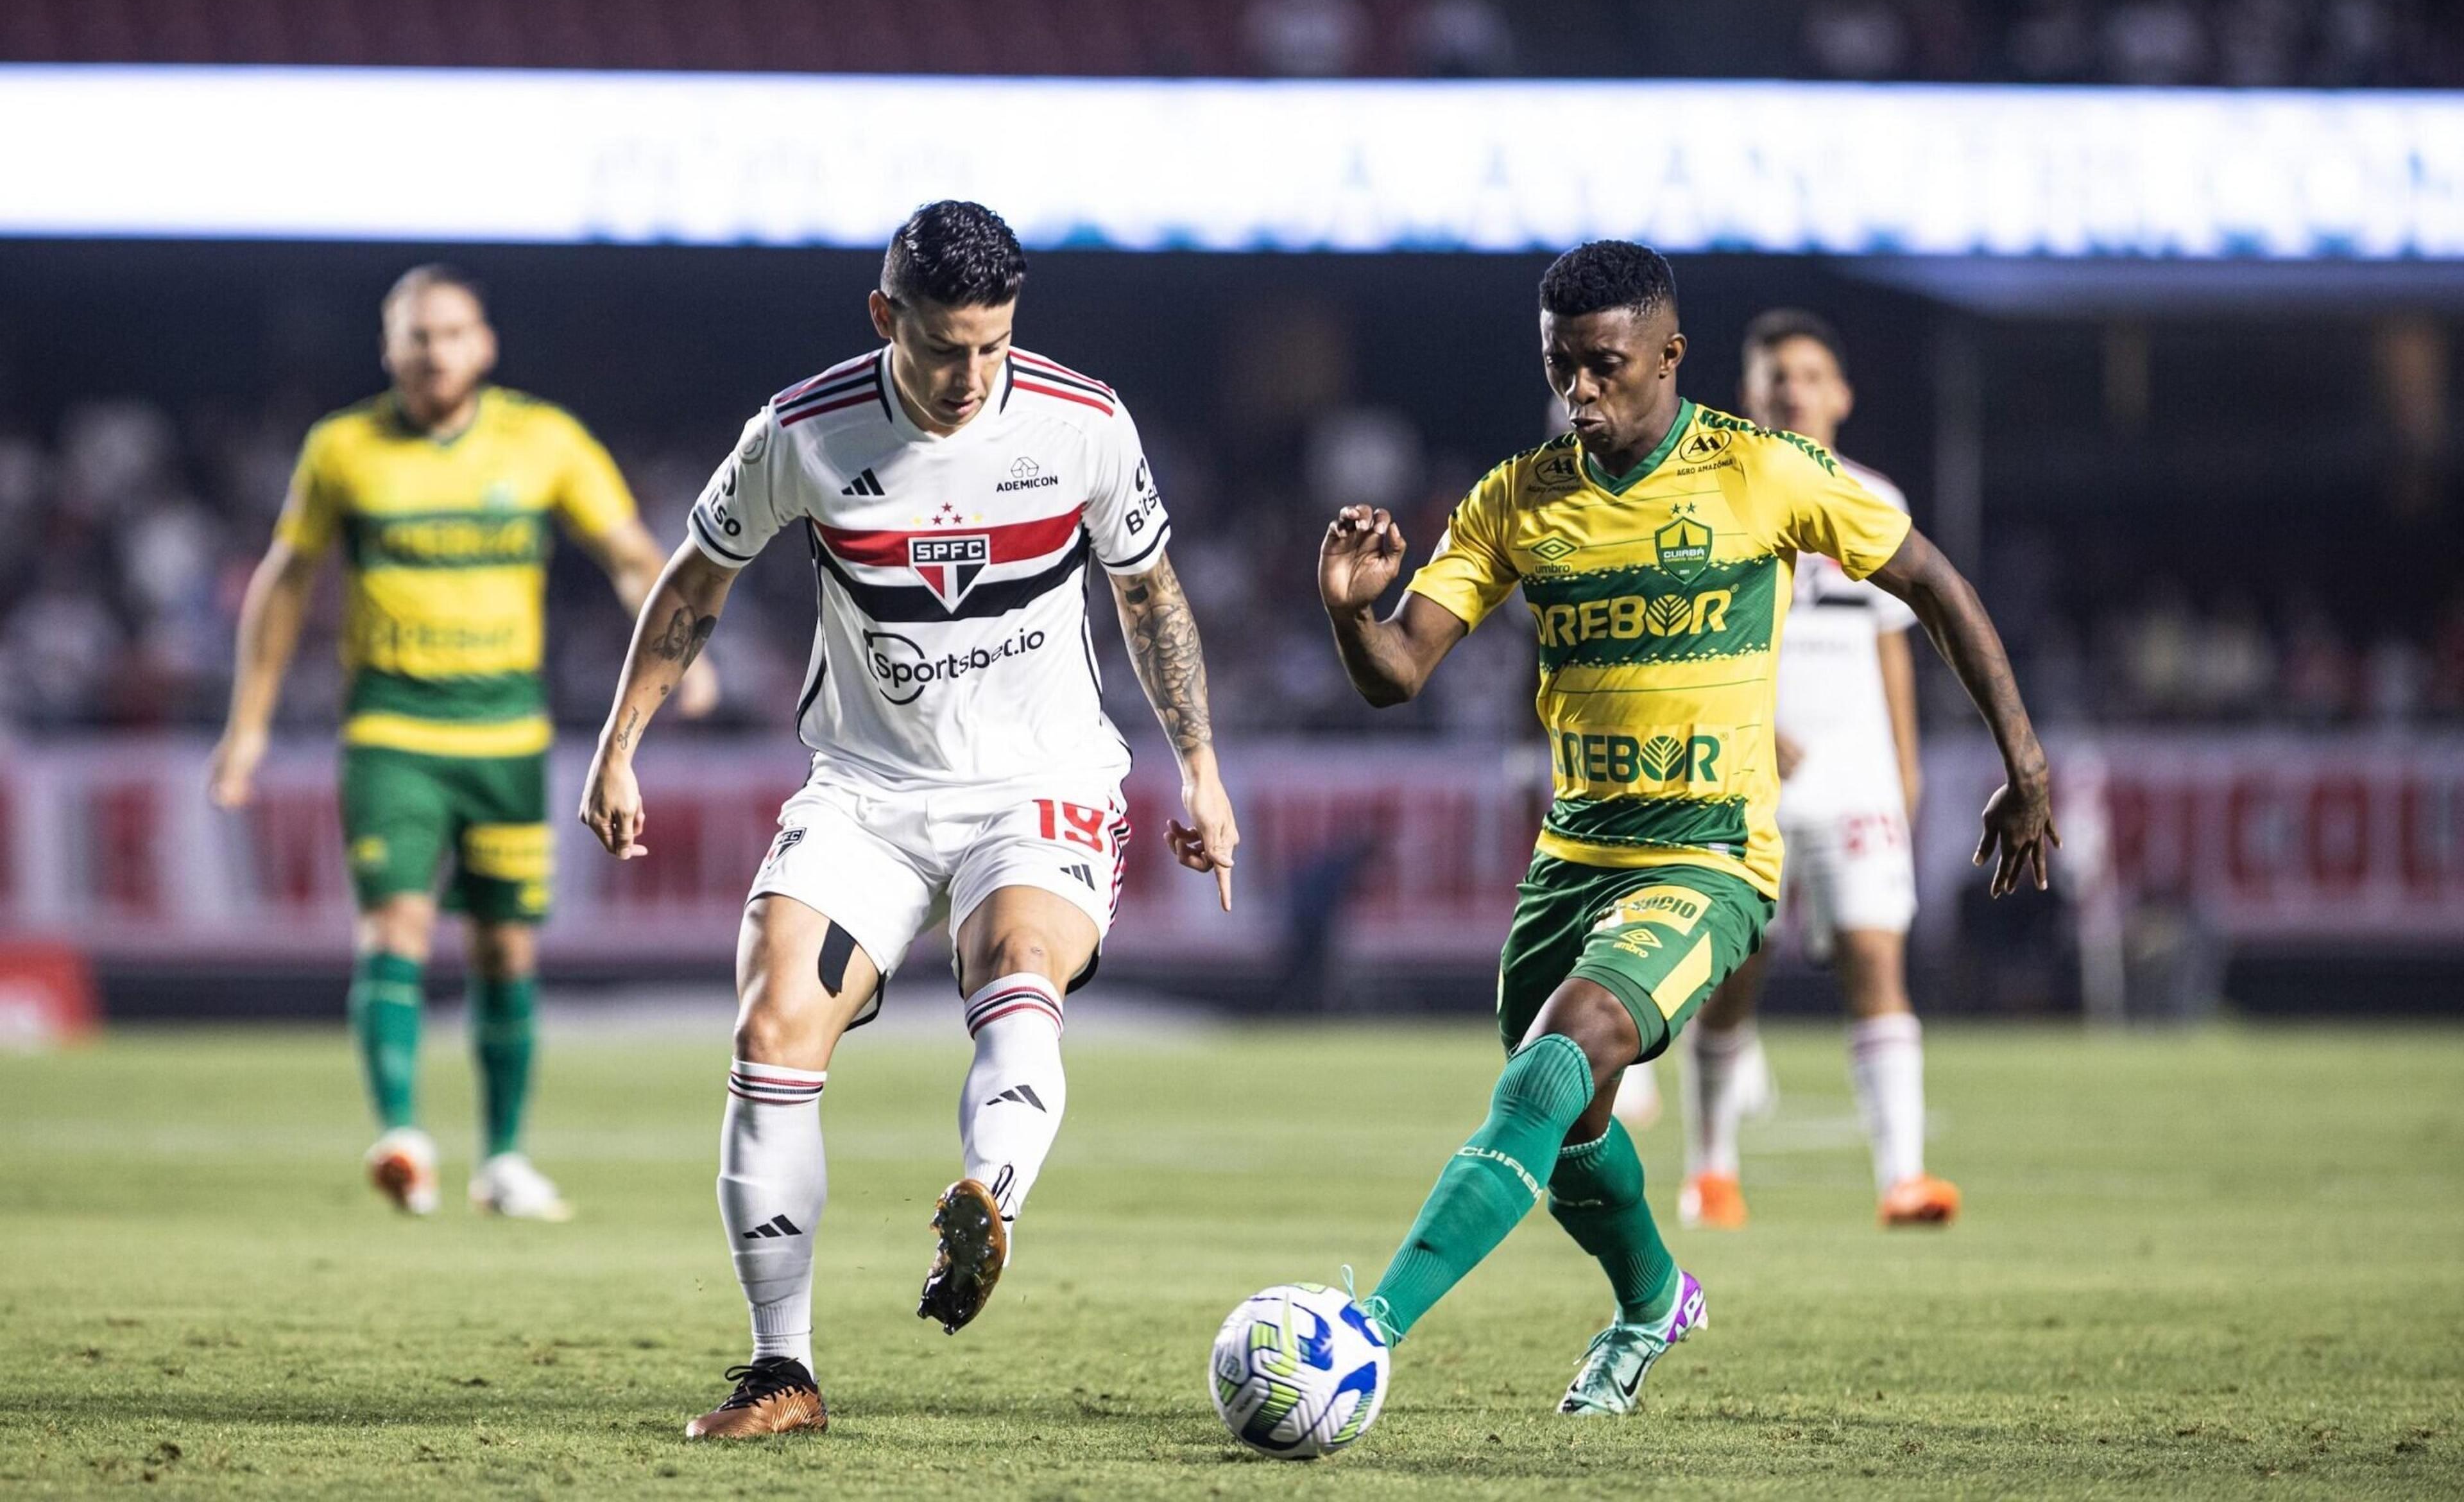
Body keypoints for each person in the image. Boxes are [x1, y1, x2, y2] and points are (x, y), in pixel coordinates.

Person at [1316, 241, 2054, 1417]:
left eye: (1605, 366)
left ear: (1670, 357)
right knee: (1568, 1129)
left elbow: (1930, 578)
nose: (1581, 393)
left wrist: (2023, 759)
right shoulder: (1518, 497)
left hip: (1709, 854)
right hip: (1573, 862)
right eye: (1562, 367)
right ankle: (1653, 1299)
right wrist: (1353, 615)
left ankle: (1361, 1334)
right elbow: (1398, 671)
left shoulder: (1764, 471)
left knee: (1558, 1061)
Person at [578, 200, 1240, 1440]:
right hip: (867, 792)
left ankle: (984, 1202)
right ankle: (783, 1373)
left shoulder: (1083, 423)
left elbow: (1150, 594)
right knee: (774, 1021)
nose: (969, 377)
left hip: (1038, 780)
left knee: (1018, 964)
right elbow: (694, 582)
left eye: (991, 346)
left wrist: (1199, 767)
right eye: (943, 348)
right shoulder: (803, 433)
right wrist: (620, 748)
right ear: (886, 319)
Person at [208, 264, 715, 1220]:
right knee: (392, 929)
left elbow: (635, 555)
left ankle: (506, 1163)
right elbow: (283, 583)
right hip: (391, 733)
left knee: (505, 951)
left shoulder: (544, 441)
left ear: (483, 345)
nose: (435, 351)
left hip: (507, 739)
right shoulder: (344, 450)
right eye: (416, 335)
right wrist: (247, 729)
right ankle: (402, 1136)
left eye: (451, 333)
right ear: (389, 350)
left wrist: (688, 655)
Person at [1658, 308, 1961, 1230]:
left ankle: (1903, 1177)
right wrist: (1742, 722)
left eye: (1807, 373)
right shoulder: (1711, 496)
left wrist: (1903, 778)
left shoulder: (1871, 496)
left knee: (1875, 956)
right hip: (1739, 772)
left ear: (1840, 394)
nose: (1791, 387)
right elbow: (1678, 646)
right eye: (1773, 374)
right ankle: (1711, 1170)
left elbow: (1893, 649)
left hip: (1854, 773)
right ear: (1747, 395)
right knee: (1735, 966)